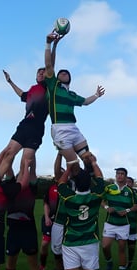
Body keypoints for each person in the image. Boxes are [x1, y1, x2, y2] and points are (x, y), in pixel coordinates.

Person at [44, 31, 105, 176]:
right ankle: (76, 193)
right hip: (60, 130)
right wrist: (49, 44)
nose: (63, 73)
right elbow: (48, 65)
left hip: (74, 129)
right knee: (74, 167)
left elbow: (85, 102)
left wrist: (96, 95)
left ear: (70, 78)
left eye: (66, 73)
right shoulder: (53, 87)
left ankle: (92, 186)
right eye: (61, 73)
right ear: (56, 78)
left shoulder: (72, 95)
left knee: (89, 160)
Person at [0, 41, 59, 178]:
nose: (41, 73)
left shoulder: (49, 88)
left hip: (36, 129)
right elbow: (21, 94)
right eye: (39, 72)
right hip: (24, 126)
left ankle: (20, 191)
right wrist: (10, 82)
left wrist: (53, 46)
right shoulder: (32, 90)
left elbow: (50, 64)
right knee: (8, 154)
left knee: (25, 162)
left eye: (44, 72)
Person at [57, 155, 104, 270]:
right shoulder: (96, 196)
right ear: (90, 183)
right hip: (90, 240)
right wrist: (94, 163)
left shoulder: (69, 198)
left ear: (75, 183)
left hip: (71, 241)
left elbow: (61, 183)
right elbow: (100, 179)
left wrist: (69, 168)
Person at [1, 160, 43, 270]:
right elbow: (8, 170)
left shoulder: (31, 189)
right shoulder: (10, 187)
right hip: (13, 231)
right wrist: (11, 155)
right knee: (11, 260)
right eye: (20, 176)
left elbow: (32, 172)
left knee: (33, 262)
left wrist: (31, 156)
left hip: (28, 232)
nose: (22, 177)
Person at [101, 167, 137, 270]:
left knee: (122, 248)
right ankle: (109, 263)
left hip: (123, 224)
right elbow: (102, 201)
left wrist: (126, 211)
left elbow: (136, 206)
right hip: (110, 223)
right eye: (118, 173)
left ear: (126, 176)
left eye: (122, 174)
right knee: (105, 246)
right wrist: (107, 207)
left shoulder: (130, 192)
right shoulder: (109, 188)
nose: (119, 176)